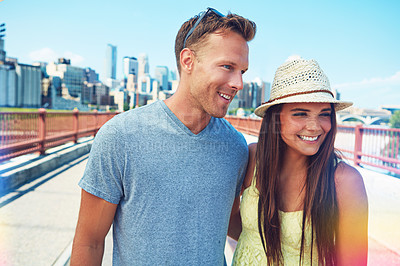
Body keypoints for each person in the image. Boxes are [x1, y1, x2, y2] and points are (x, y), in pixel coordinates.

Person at [70, 7, 256, 265]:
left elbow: (229, 221)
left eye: (243, 72)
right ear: (188, 60)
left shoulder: (236, 146)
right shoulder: (121, 136)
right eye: (227, 66)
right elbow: (89, 242)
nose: (239, 83)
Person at [229, 58, 368, 265]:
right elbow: (230, 219)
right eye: (301, 114)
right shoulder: (252, 158)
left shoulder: (345, 181)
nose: (314, 127)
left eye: (324, 114)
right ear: (276, 118)